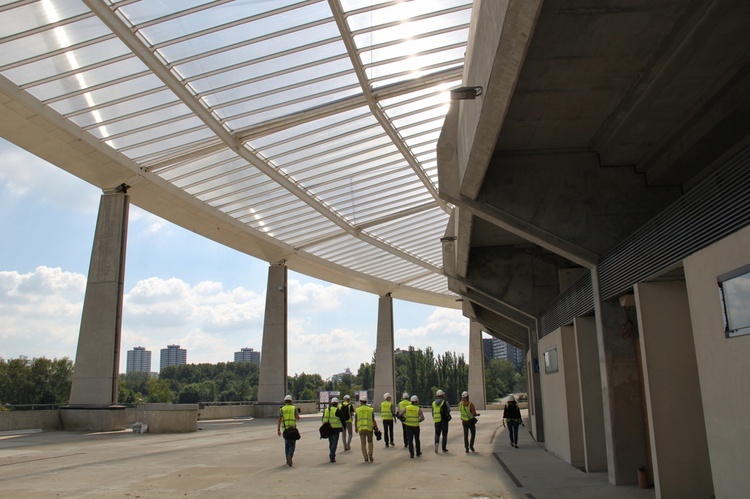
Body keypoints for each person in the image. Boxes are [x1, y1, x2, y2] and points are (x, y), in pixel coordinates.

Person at [277, 394, 300, 466]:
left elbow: (279, 420)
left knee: (287, 445)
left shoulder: (281, 409)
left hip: (285, 430)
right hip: (292, 429)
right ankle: (290, 455)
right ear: (291, 401)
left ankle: (287, 459)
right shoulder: (294, 408)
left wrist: (278, 429)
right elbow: (298, 418)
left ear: (285, 401)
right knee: (292, 445)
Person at [354, 397, 379, 463]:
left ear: (360, 401)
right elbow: (373, 420)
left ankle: (365, 457)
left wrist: (356, 428)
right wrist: (376, 427)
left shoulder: (358, 410)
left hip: (361, 429)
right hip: (369, 428)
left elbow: (356, 420)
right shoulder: (370, 409)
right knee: (370, 442)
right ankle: (370, 454)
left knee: (363, 443)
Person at [322, 397, 344, 463]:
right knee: (334, 442)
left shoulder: (326, 410)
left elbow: (323, 418)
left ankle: (331, 454)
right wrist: (344, 428)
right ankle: (332, 455)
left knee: (331, 442)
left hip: (328, 428)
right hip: (336, 429)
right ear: (337, 404)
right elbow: (342, 419)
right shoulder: (338, 410)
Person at [432, 389, 451, 453]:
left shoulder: (433, 403)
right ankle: (444, 448)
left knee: (437, 434)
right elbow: (448, 410)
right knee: (444, 435)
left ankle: (436, 443)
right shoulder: (445, 402)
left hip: (436, 420)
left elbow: (432, 412)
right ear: (442, 395)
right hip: (444, 420)